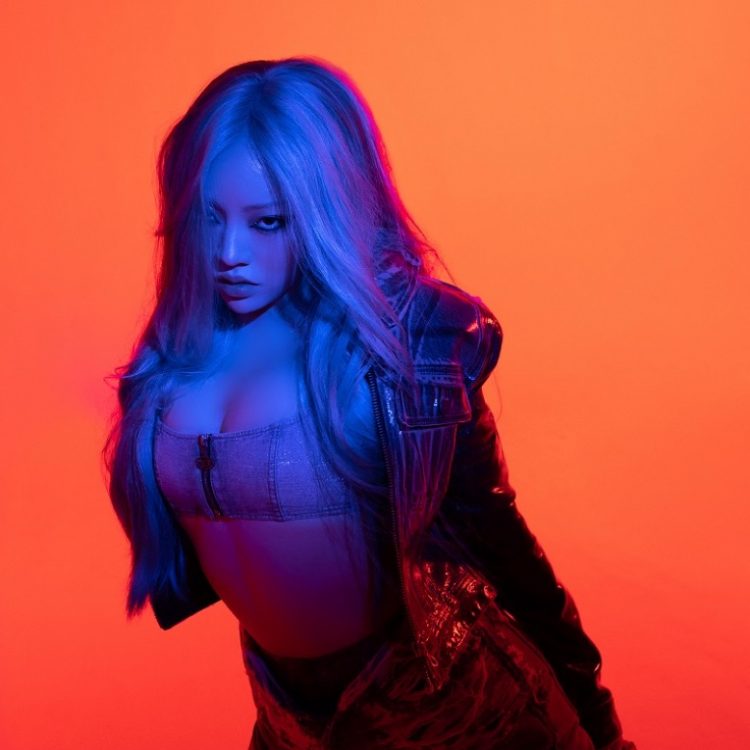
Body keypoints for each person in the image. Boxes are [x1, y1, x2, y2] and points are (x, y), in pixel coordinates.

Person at [102, 56, 636, 749]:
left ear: (326, 210)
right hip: (291, 716)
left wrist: (599, 724)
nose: (229, 252)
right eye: (210, 218)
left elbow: (508, 555)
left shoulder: (401, 355)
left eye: (268, 221)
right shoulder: (174, 356)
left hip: (455, 712)